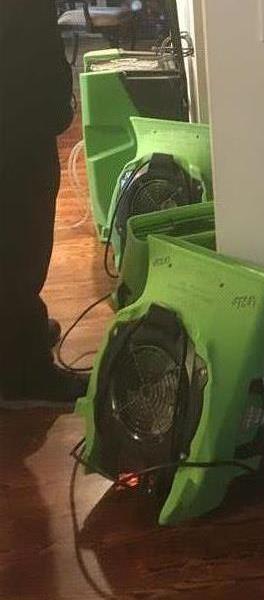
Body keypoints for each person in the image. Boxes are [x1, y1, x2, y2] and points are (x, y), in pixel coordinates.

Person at [0, 0, 88, 403]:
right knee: (20, 244)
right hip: (16, 126)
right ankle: (23, 373)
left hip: (19, 117)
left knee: (18, 241)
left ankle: (20, 337)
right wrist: (55, 106)